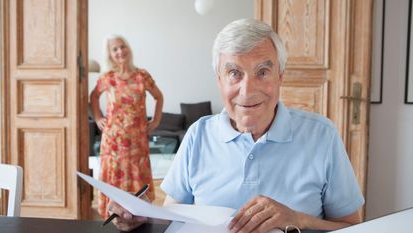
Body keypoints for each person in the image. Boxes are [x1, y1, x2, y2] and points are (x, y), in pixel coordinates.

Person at [108, 19, 364, 232]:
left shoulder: (322, 136)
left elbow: (352, 227)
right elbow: (173, 217)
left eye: (262, 72)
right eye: (234, 73)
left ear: (280, 77)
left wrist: (298, 219)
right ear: (219, 80)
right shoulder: (198, 135)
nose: (247, 90)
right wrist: (142, 216)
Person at [90, 34, 163, 219]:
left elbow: (159, 96)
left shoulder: (142, 75)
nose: (120, 51)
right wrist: (98, 117)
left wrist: (156, 121)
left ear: (128, 48)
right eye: (115, 49)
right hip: (113, 141)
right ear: (110, 55)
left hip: (137, 139)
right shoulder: (107, 77)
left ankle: (138, 215)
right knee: (114, 177)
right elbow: (93, 97)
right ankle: (112, 216)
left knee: (136, 176)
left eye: (122, 46)